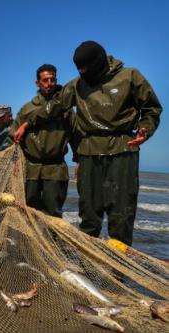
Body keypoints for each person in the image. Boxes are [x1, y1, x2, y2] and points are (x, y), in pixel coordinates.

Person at [14, 41, 162, 245]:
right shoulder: (77, 84)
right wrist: (28, 124)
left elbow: (152, 109)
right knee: (89, 215)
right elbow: (55, 107)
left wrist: (146, 128)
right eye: (79, 70)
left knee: (120, 216)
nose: (83, 74)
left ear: (99, 63)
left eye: (86, 69)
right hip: (89, 151)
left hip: (122, 149)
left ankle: (116, 273)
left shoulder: (129, 77)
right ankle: (87, 264)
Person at [11, 64, 75, 217]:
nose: (49, 84)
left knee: (53, 214)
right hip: (31, 169)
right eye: (45, 80)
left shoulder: (65, 109)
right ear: (37, 83)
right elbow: (13, 140)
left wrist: (79, 160)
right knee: (28, 211)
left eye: (52, 80)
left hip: (56, 169)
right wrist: (15, 163)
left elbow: (76, 135)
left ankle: (51, 241)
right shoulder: (27, 109)